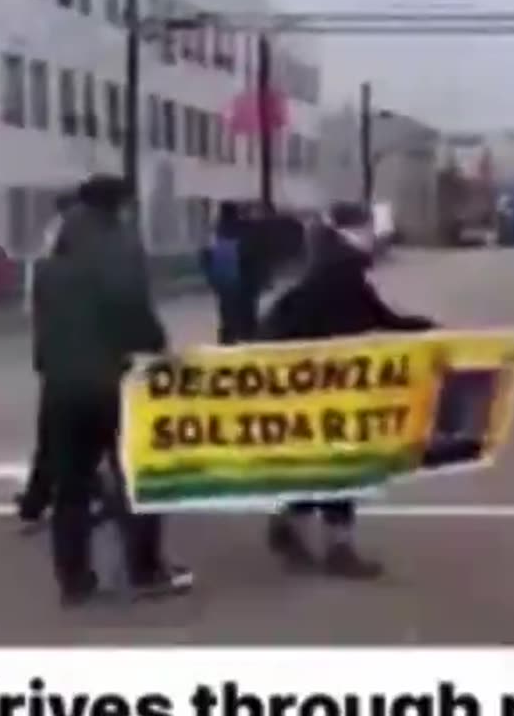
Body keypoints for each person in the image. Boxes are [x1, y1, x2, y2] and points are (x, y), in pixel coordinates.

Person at [33, 174, 192, 605]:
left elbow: (43, 324)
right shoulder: (119, 249)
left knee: (71, 489)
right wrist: (158, 348)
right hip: (113, 383)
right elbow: (132, 311)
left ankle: (74, 580)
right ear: (119, 204)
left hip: (62, 387)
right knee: (136, 475)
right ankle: (144, 569)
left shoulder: (52, 256)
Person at [258, 202, 435, 578]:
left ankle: (289, 524)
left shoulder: (330, 264)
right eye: (368, 227)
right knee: (341, 465)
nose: (373, 234)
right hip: (329, 385)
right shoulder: (341, 270)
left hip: (312, 384)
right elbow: (363, 319)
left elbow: (374, 316)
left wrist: (420, 329)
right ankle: (335, 546)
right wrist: (416, 331)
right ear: (352, 229)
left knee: (320, 462)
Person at [17, 191, 78, 526]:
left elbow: (35, 303)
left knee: (53, 430)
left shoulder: (49, 241)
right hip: (79, 352)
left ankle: (36, 499)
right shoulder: (77, 241)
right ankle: (41, 497)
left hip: (57, 353)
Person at [202, 201, 256, 344]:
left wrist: (212, 280)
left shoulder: (216, 234)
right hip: (243, 286)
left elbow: (205, 258)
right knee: (246, 322)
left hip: (225, 285)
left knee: (228, 320)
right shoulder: (245, 231)